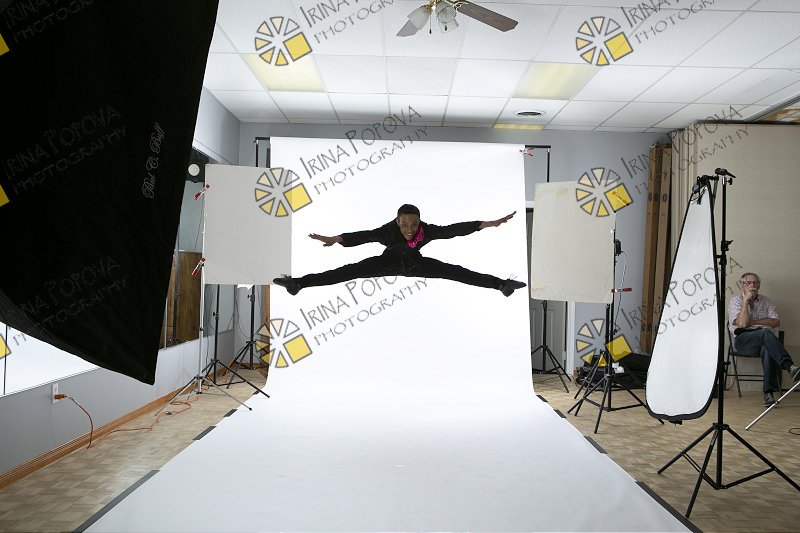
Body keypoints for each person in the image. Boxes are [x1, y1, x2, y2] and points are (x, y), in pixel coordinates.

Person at [273, 204, 526, 297]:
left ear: (419, 222)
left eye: (414, 224)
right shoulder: (388, 231)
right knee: (346, 271)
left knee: (456, 271)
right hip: (387, 263)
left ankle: (501, 285)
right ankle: (299, 284)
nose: (410, 229)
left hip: (416, 264)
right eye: (405, 225)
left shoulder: (426, 230)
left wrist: (487, 224)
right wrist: (336, 239)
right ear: (397, 222)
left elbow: (453, 230)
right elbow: (365, 235)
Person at [728, 272, 800, 406]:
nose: (752, 285)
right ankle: (789, 366)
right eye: (748, 283)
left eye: (755, 283)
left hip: (765, 340)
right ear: (742, 285)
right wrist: (745, 301)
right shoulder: (735, 301)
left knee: (767, 347)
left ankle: (768, 394)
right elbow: (742, 324)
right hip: (744, 341)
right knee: (765, 332)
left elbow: (776, 322)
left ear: (759, 285)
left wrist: (753, 322)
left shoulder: (767, 301)